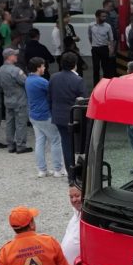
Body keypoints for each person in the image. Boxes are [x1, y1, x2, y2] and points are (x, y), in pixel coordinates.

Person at [49, 53, 85, 185]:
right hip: (74, 117)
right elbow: (83, 101)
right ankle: (80, 172)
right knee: (81, 144)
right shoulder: (78, 80)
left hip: (58, 116)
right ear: (75, 64)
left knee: (66, 144)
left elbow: (50, 97)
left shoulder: (54, 77)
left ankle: (71, 175)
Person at [25, 57, 63, 178]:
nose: (44, 68)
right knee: (56, 140)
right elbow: (55, 92)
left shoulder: (28, 80)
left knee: (40, 141)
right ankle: (58, 169)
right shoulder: (41, 82)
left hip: (33, 115)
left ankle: (42, 170)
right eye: (43, 66)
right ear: (38, 68)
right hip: (45, 115)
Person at [0, 48, 32, 154]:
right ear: (9, 57)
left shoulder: (0, 70)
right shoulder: (16, 70)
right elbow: (26, 82)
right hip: (19, 100)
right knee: (21, 123)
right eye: (14, 55)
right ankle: (21, 145)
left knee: (10, 123)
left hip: (8, 99)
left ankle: (11, 145)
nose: (17, 56)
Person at [88, 9, 115, 85]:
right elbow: (90, 36)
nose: (104, 18)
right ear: (97, 17)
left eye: (105, 16)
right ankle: (96, 85)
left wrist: (111, 49)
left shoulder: (107, 26)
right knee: (96, 68)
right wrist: (93, 44)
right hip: (95, 49)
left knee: (106, 68)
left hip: (104, 48)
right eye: (103, 16)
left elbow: (111, 39)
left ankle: (105, 84)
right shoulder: (91, 26)